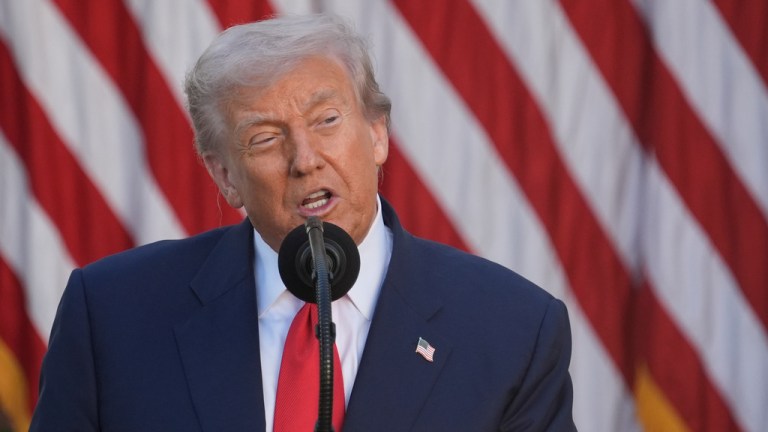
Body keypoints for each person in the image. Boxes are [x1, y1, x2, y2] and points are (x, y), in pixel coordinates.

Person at [30, 14, 575, 431]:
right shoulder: (111, 314)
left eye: (327, 120)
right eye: (265, 138)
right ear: (225, 177)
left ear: (378, 134)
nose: (305, 158)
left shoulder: (512, 331)